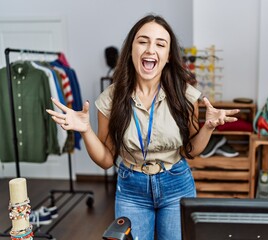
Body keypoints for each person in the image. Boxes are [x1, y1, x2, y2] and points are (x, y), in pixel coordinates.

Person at [46, 14, 239, 240]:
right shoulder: (110, 99)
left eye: (160, 44)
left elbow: (191, 151)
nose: (150, 49)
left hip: (176, 183)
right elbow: (107, 160)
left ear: (167, 56)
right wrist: (86, 130)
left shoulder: (185, 95)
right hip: (131, 189)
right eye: (143, 41)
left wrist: (208, 127)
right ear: (131, 50)